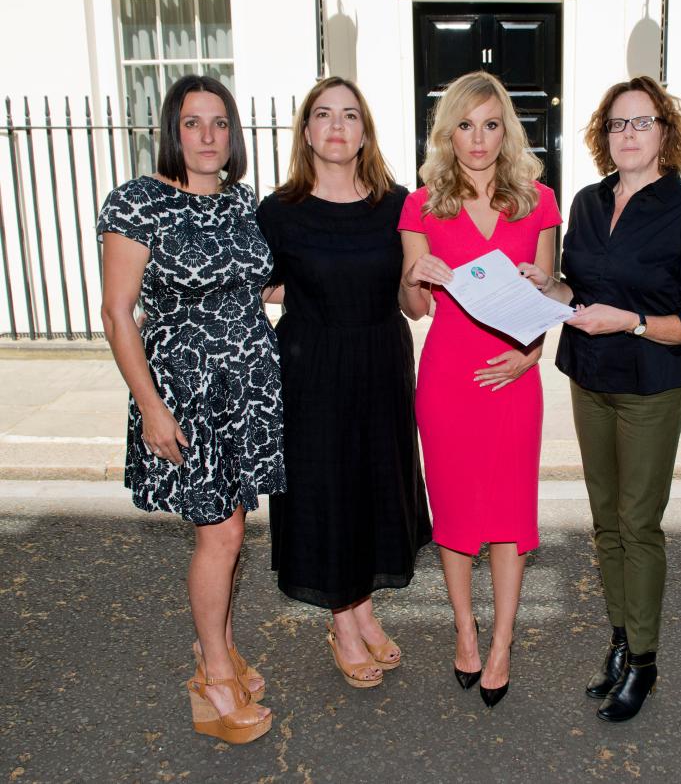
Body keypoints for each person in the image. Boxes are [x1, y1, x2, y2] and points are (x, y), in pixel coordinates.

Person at [524, 76, 681, 722]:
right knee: (605, 522)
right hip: (590, 378)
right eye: (616, 124)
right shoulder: (586, 202)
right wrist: (545, 287)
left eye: (640, 123)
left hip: (648, 386)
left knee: (639, 524)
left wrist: (632, 322)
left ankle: (645, 661)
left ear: (666, 132)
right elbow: (578, 291)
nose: (627, 135)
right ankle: (619, 638)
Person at [98, 74, 283, 744]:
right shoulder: (140, 202)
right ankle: (212, 680)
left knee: (229, 533)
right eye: (193, 123)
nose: (208, 136)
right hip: (187, 392)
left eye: (219, 124)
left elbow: (261, 285)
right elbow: (118, 315)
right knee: (222, 535)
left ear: (233, 135)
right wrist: (150, 407)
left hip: (247, 389)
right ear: (172, 131)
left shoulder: (241, 204)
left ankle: (224, 650)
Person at [256, 77, 432, 690]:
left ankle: (362, 606)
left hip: (382, 360)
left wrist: (425, 278)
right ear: (306, 130)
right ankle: (345, 620)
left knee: (373, 486)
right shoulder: (278, 211)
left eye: (350, 115)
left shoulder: (397, 204)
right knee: (327, 490)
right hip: (313, 368)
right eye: (323, 115)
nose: (336, 126)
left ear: (365, 131)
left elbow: (413, 305)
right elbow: (257, 286)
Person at [398, 71, 561, 708]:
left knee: (509, 516)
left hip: (514, 378)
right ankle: (465, 630)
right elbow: (415, 307)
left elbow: (548, 296)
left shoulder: (539, 202)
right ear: (448, 132)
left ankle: (502, 644)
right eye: (465, 125)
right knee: (459, 512)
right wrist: (415, 273)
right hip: (447, 379)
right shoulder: (422, 205)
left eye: (491, 124)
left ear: (507, 130)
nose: (478, 139)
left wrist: (531, 354)